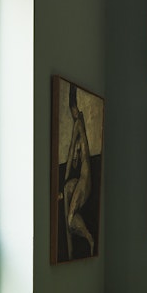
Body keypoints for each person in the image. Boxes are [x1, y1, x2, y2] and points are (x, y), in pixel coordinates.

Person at [62, 85, 95, 257]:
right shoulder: (80, 141)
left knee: (69, 218)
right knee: (70, 213)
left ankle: (88, 239)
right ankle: (83, 241)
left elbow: (69, 158)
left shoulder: (79, 127)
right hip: (83, 182)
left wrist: (64, 178)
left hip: (84, 182)